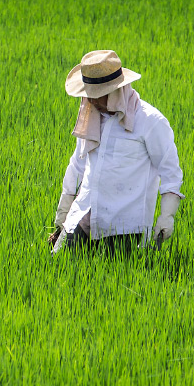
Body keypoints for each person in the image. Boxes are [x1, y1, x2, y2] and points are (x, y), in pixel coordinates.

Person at [49, 50, 184, 253]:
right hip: (84, 213)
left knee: (113, 276)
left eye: (98, 95)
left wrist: (167, 217)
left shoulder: (150, 122)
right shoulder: (91, 118)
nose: (91, 101)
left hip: (125, 224)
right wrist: (62, 217)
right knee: (59, 264)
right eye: (89, 95)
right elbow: (77, 165)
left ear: (116, 90)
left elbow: (170, 173)